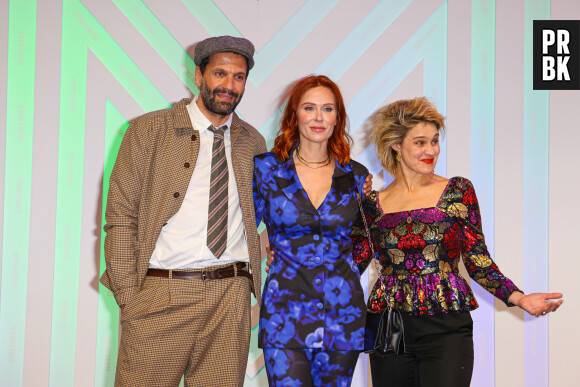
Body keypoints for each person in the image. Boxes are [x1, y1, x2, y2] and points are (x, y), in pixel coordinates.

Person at [351, 97, 564, 387]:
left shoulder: (457, 190)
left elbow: (478, 260)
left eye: (435, 141)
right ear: (397, 146)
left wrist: (519, 297)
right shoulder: (372, 203)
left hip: (446, 328)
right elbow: (352, 262)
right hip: (390, 328)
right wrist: (292, 255)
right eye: (420, 142)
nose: (431, 151)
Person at [100, 35, 267, 386]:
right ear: (198, 76)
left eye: (238, 77)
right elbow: (120, 216)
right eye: (220, 74)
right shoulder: (148, 130)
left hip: (230, 297)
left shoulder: (253, 142)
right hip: (162, 293)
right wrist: (130, 297)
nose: (229, 85)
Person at [253, 75, 370, 387]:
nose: (319, 117)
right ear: (294, 115)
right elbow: (243, 229)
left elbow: (366, 243)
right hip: (283, 316)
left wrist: (337, 267)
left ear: (337, 118)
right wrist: (268, 252)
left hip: (342, 318)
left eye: (328, 109)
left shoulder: (357, 177)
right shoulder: (266, 169)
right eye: (309, 108)